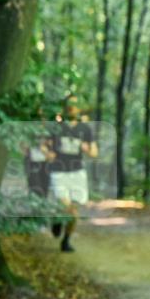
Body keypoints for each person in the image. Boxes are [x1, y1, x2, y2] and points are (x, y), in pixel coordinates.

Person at [46, 94, 98, 252]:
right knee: (65, 206)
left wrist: (86, 148)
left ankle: (66, 241)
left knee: (74, 211)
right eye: (69, 104)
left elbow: (94, 152)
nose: (71, 107)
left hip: (77, 173)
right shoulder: (57, 126)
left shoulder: (85, 129)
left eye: (75, 104)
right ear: (65, 107)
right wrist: (49, 154)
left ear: (79, 108)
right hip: (59, 171)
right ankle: (57, 219)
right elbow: (46, 146)